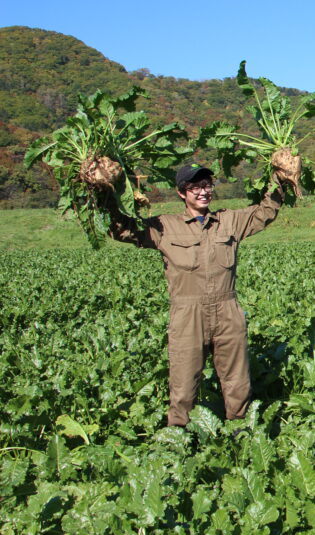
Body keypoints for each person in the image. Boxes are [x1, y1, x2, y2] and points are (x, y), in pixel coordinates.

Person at [108, 162, 293, 427]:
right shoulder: (164, 226)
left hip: (227, 309)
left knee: (238, 383)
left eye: (207, 185)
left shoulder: (229, 220)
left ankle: (239, 435)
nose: (203, 192)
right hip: (187, 314)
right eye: (195, 187)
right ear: (182, 192)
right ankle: (177, 440)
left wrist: (280, 178)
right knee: (183, 386)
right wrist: (105, 193)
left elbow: (265, 211)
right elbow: (122, 229)